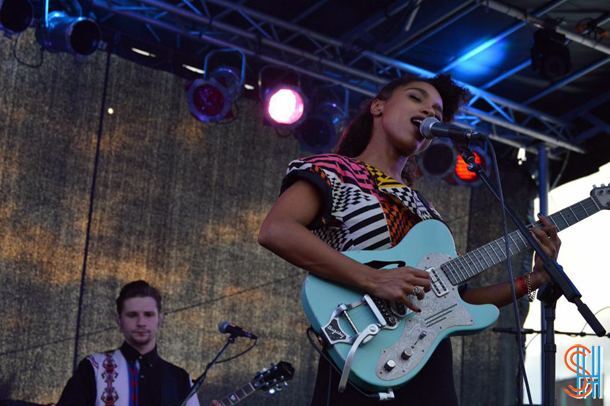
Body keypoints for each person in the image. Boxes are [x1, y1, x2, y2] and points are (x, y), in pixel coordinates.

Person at [257, 74, 561, 405]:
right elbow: (277, 230)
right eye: (416, 99)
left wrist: (533, 281)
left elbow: (459, 300)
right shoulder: (333, 170)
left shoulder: (427, 212)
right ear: (378, 106)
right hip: (360, 350)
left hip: (429, 368)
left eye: (437, 111)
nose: (430, 112)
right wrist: (374, 279)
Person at [57, 280, 220, 406]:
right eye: (132, 315)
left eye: (148, 315)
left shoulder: (179, 379)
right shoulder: (93, 367)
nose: (141, 322)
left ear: (160, 319)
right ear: (118, 320)